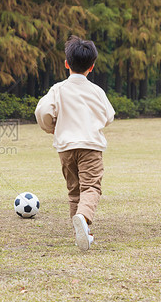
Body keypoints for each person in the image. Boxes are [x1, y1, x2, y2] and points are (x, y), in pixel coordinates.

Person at [35, 35, 115, 251]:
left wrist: (50, 127)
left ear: (66, 64)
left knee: (74, 191)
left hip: (66, 148)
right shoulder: (97, 91)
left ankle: (82, 234)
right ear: (92, 66)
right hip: (90, 146)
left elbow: (42, 110)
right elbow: (109, 116)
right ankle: (83, 217)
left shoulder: (58, 89)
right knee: (91, 187)